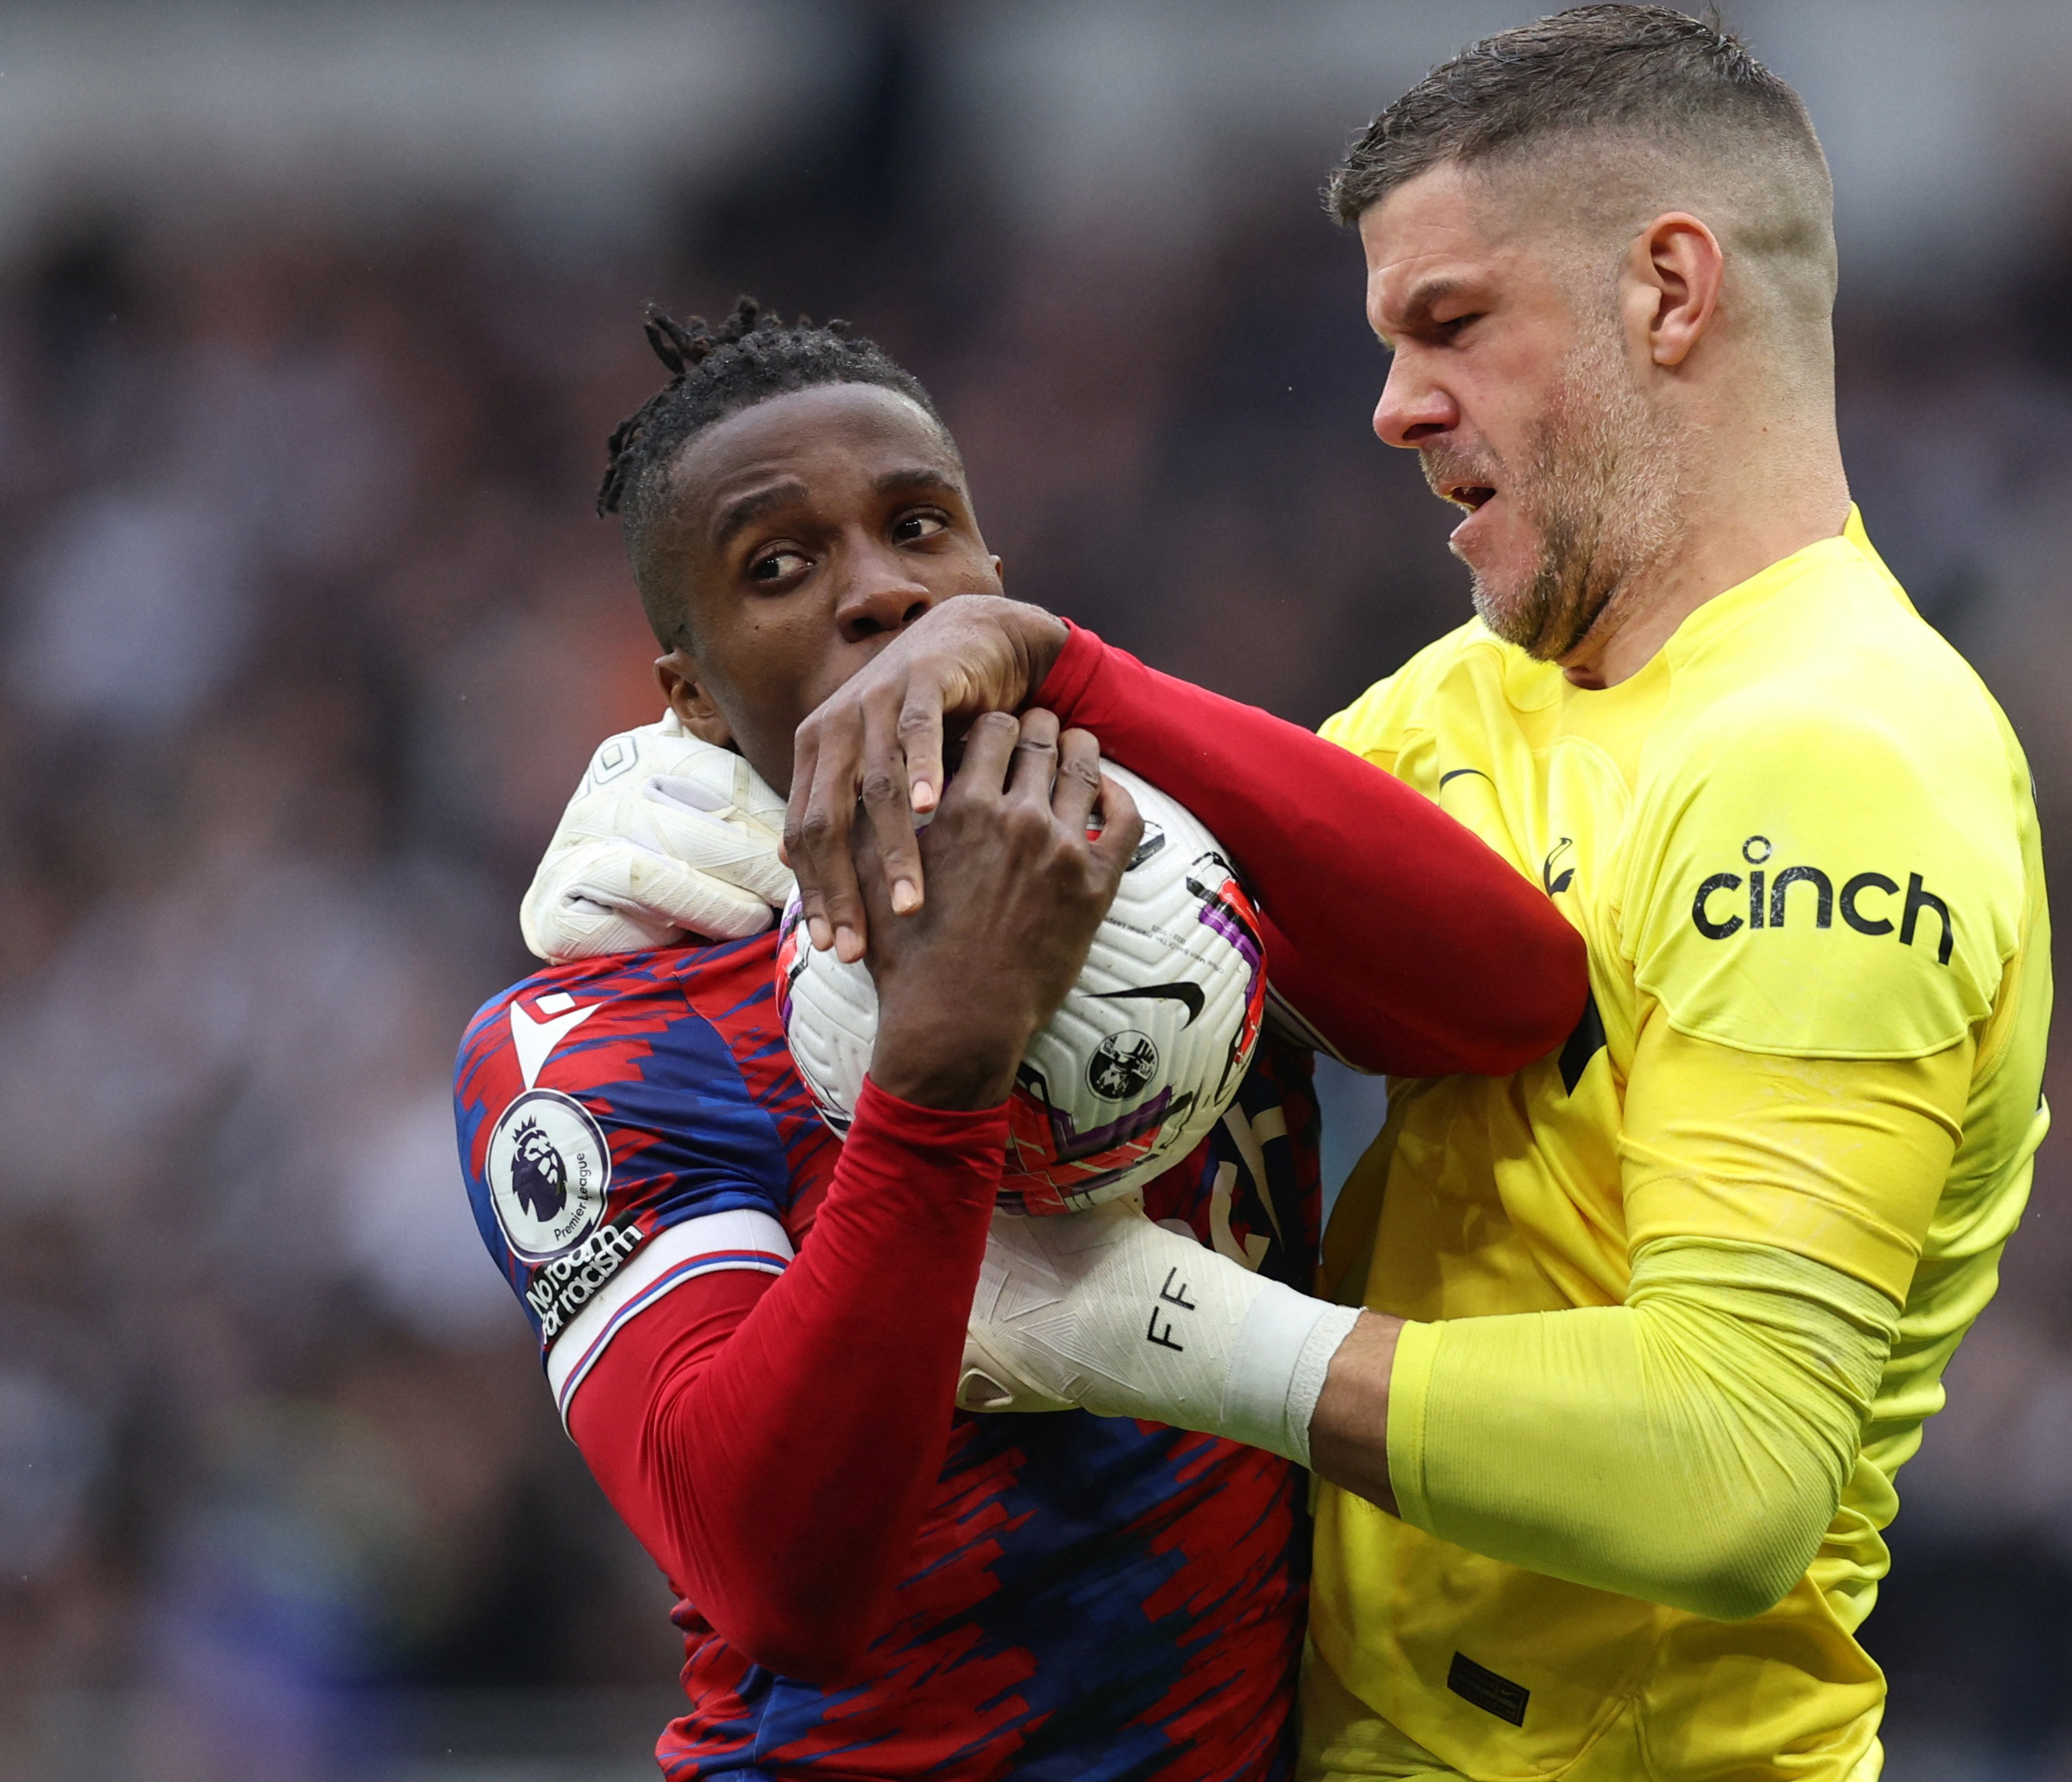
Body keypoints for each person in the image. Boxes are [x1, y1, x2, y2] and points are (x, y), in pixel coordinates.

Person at [573, 7, 2053, 1781]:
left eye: (1449, 325)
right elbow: (1353, 937)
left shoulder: (1843, 764)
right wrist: (771, 838)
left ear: (1670, 292)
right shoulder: (1459, 705)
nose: (1391, 404)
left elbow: (1733, 1470)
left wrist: (1158, 1332)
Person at [458, 301, 1588, 1780]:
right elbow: (777, 1579)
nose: (880, 594)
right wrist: (939, 1066)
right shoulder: (599, 1034)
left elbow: (1512, 1001)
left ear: (996, 576)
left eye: (921, 528)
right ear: (686, 689)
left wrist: (1083, 676)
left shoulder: (1167, 852)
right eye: (778, 567)